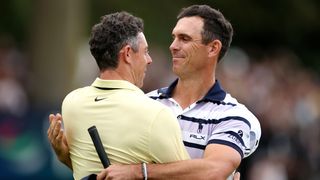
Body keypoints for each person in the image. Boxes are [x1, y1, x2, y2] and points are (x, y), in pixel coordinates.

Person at [49, 4, 261, 180]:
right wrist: (68, 157)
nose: (172, 46)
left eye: (184, 39)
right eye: (174, 37)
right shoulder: (146, 104)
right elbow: (111, 174)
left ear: (213, 48)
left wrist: (139, 171)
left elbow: (215, 169)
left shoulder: (234, 116)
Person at [47, 11, 191, 180]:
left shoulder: (72, 103)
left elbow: (91, 172)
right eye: (145, 52)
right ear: (128, 54)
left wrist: (64, 157)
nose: (149, 59)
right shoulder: (156, 114)